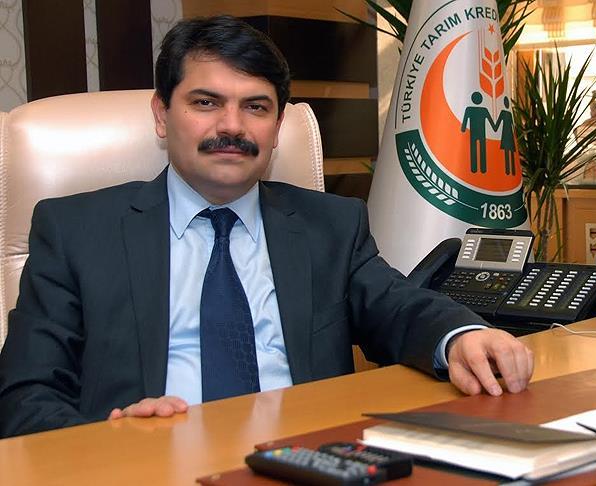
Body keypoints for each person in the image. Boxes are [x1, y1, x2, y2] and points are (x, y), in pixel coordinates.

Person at [0, 16, 533, 438]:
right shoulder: (75, 232)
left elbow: (398, 307)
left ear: (278, 126)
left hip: (306, 461)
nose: (232, 126)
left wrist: (462, 336)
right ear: (162, 115)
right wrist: (106, 439)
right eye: (206, 103)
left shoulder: (330, 225)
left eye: (255, 107)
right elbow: (24, 397)